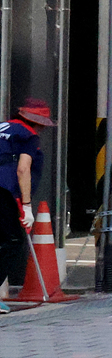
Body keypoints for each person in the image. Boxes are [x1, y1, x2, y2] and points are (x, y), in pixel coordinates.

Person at [0, 97, 53, 304]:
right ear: (37, 122)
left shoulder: (3, 128)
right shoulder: (28, 136)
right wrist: (27, 206)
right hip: (4, 191)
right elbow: (23, 169)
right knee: (12, 241)